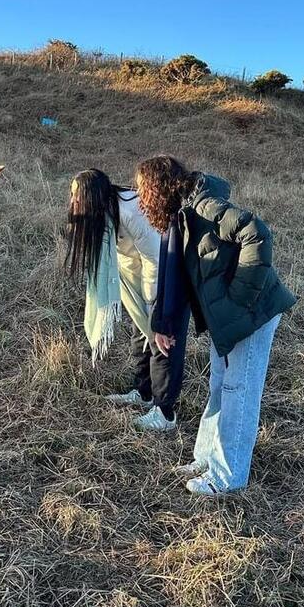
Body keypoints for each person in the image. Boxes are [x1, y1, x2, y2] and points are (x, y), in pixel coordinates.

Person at [135, 155, 297, 496]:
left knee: (239, 391)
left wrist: (240, 298)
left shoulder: (205, 207)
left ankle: (226, 477)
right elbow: (175, 274)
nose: (140, 199)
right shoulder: (182, 217)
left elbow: (257, 233)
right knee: (220, 384)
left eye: (142, 190)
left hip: (252, 314)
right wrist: (163, 322)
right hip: (228, 317)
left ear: (157, 189)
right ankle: (206, 457)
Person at [64, 168, 190, 431]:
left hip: (167, 277)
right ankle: (142, 392)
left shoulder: (132, 211)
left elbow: (157, 260)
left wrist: (155, 310)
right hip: (136, 277)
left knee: (163, 340)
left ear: (92, 196)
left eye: (77, 196)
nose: (73, 202)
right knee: (140, 336)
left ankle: (164, 412)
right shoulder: (104, 215)